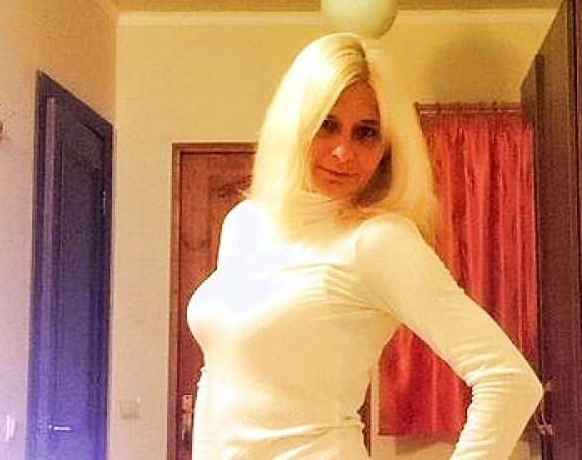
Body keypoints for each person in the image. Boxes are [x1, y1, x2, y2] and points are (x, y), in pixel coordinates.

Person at [187, 32, 543, 459]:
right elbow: (216, 377)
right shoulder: (244, 222)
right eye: (328, 124)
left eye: (366, 133)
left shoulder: (377, 241)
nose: (343, 151)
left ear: (387, 148)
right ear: (294, 124)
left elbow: (509, 381)